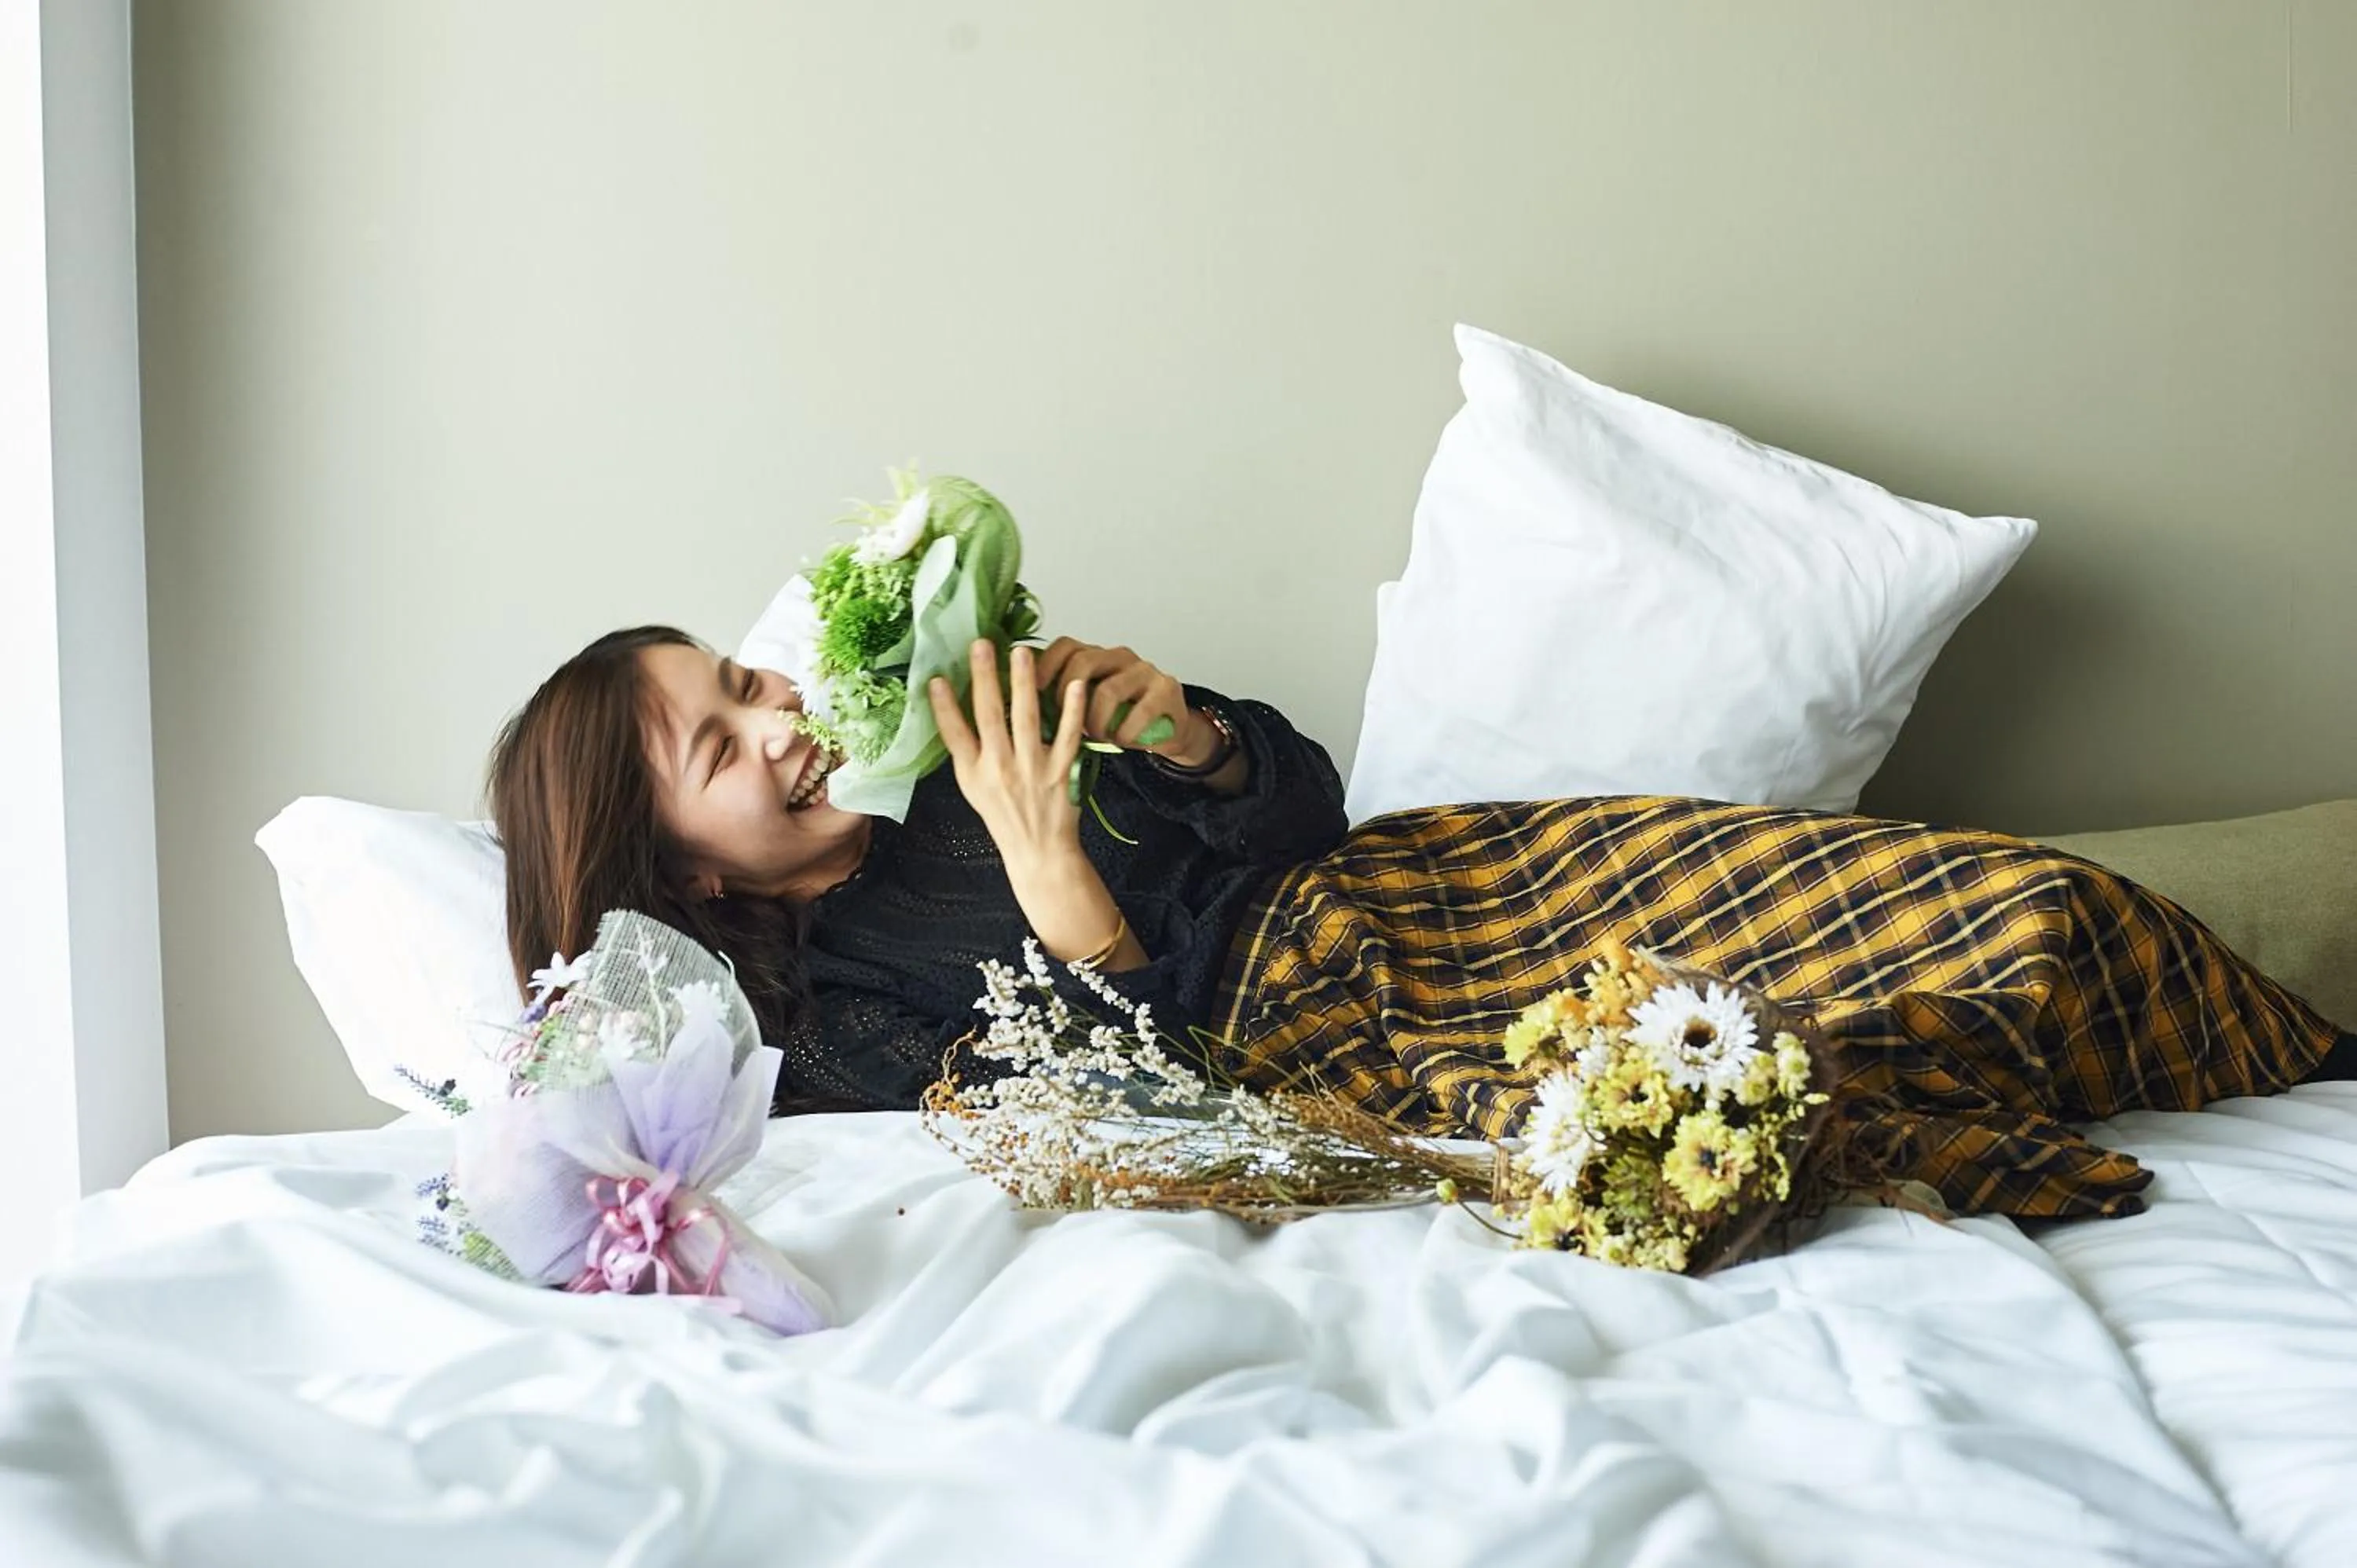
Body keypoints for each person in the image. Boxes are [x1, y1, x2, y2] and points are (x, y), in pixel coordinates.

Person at [489, 625, 2357, 1222]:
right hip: (1324, 1028)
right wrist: (1063, 888)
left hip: (1443, 879)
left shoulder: (969, 730)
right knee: (1742, 1065)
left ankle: (2269, 1029)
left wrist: (1182, 729)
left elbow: (1304, 809)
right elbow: (1115, 1129)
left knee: (2008, 898)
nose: (780, 722)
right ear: (690, 869)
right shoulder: (828, 1033)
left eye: (746, 679)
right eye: (719, 747)